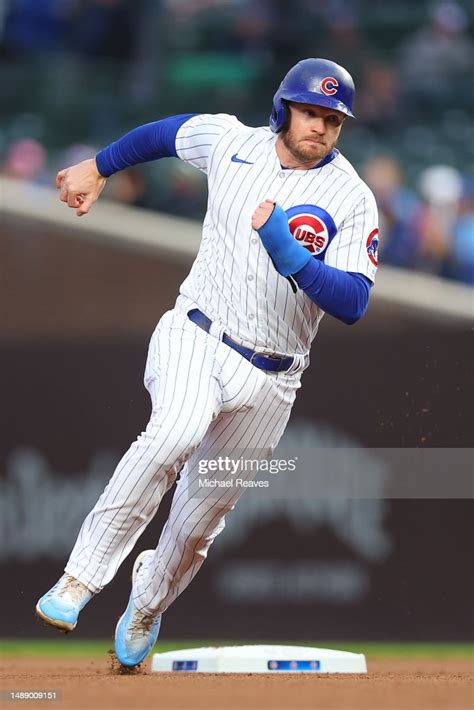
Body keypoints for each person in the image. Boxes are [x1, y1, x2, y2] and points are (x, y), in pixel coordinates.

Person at [35, 58, 379, 668]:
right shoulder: (231, 142)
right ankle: (79, 580)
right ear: (284, 109)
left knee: (200, 518)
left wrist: (288, 252)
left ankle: (147, 603)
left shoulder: (351, 196)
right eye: (310, 112)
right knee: (175, 429)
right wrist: (95, 166)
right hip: (197, 332)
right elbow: (163, 134)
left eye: (332, 118)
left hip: (275, 377)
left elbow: (353, 301)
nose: (320, 127)